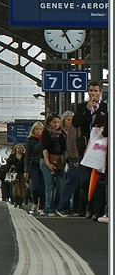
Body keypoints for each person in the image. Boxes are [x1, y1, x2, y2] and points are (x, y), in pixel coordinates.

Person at [74, 82, 107, 215]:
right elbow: (76, 123)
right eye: (90, 91)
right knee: (85, 179)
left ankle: (97, 209)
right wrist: (86, 110)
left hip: (100, 148)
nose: (93, 93)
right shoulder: (82, 107)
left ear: (100, 92)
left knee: (100, 180)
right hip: (86, 147)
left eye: (95, 91)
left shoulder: (105, 108)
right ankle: (88, 204)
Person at [55, 111, 83, 216]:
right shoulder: (72, 128)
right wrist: (74, 158)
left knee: (79, 184)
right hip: (71, 158)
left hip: (79, 157)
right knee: (71, 182)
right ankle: (62, 206)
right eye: (68, 119)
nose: (70, 122)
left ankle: (76, 208)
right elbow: (71, 144)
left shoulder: (81, 126)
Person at [41, 114, 68, 216]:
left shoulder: (63, 133)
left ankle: (58, 205)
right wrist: (48, 163)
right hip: (46, 159)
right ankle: (49, 208)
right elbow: (45, 148)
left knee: (61, 184)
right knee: (50, 185)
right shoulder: (46, 133)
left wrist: (64, 161)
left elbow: (65, 148)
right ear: (49, 123)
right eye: (54, 122)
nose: (56, 124)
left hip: (60, 160)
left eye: (58, 122)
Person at [25, 122, 46, 214]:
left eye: (40, 129)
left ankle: (42, 206)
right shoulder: (30, 140)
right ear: (33, 130)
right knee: (35, 186)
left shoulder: (45, 140)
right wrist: (26, 170)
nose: (38, 131)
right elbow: (27, 156)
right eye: (36, 129)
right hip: (34, 164)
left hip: (45, 164)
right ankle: (35, 203)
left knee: (43, 186)